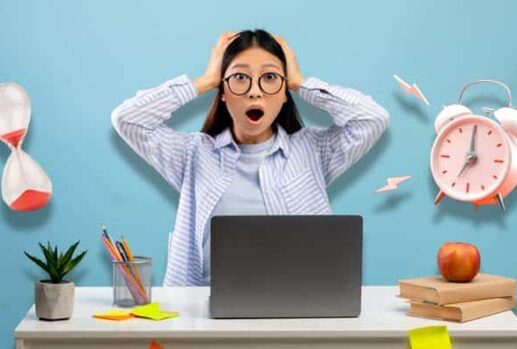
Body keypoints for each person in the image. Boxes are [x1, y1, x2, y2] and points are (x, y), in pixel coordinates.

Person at [111, 29, 390, 286]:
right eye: (240, 78)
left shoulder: (313, 150)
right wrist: (205, 81)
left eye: (270, 78)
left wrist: (299, 83)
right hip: (202, 316)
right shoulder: (193, 155)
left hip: (295, 308)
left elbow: (373, 119)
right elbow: (128, 120)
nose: (255, 91)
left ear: (283, 94)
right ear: (223, 93)